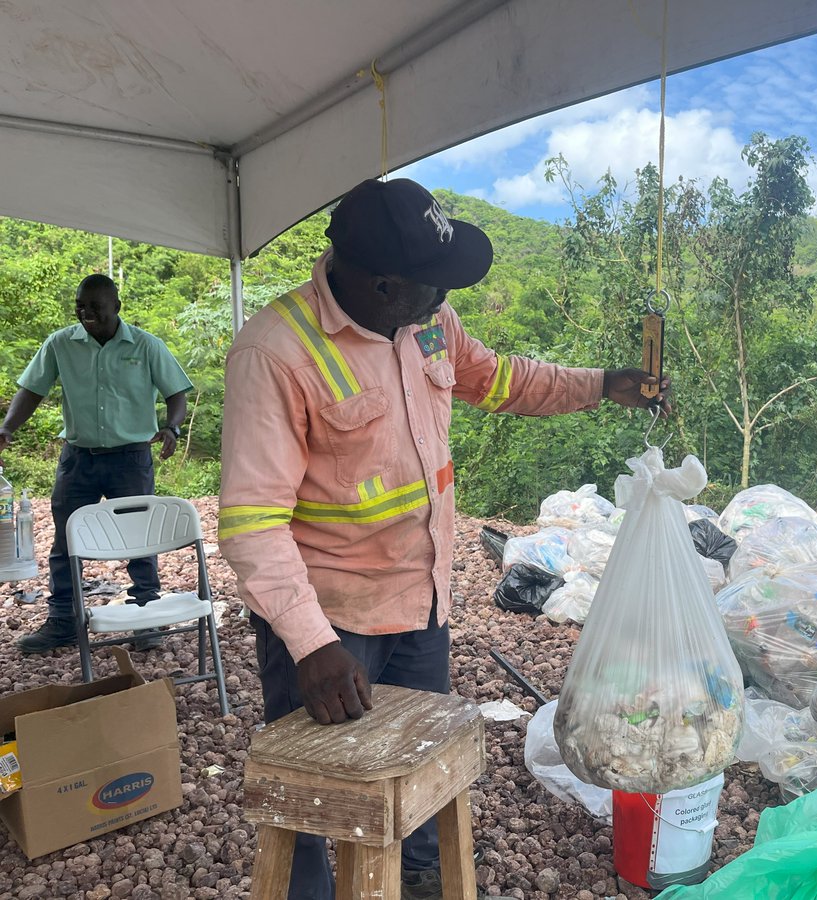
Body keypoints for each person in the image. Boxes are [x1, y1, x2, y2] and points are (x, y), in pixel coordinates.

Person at [218, 177, 671, 900]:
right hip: (331, 622)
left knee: (419, 764)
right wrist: (312, 645)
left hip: (420, 604)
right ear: (381, 283)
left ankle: (420, 884)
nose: (444, 301)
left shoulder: (426, 321)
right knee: (310, 795)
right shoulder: (275, 353)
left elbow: (499, 380)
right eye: (432, 286)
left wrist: (600, 383)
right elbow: (251, 522)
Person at [0, 274, 192, 654]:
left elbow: (177, 393)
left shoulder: (145, 345)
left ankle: (147, 614)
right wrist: (6, 428)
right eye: (80, 306)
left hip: (131, 458)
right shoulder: (60, 343)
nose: (86, 313)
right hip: (79, 459)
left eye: (95, 307)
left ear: (116, 307)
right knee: (65, 538)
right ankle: (64, 620)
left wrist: (171, 427)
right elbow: (32, 390)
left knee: (140, 537)